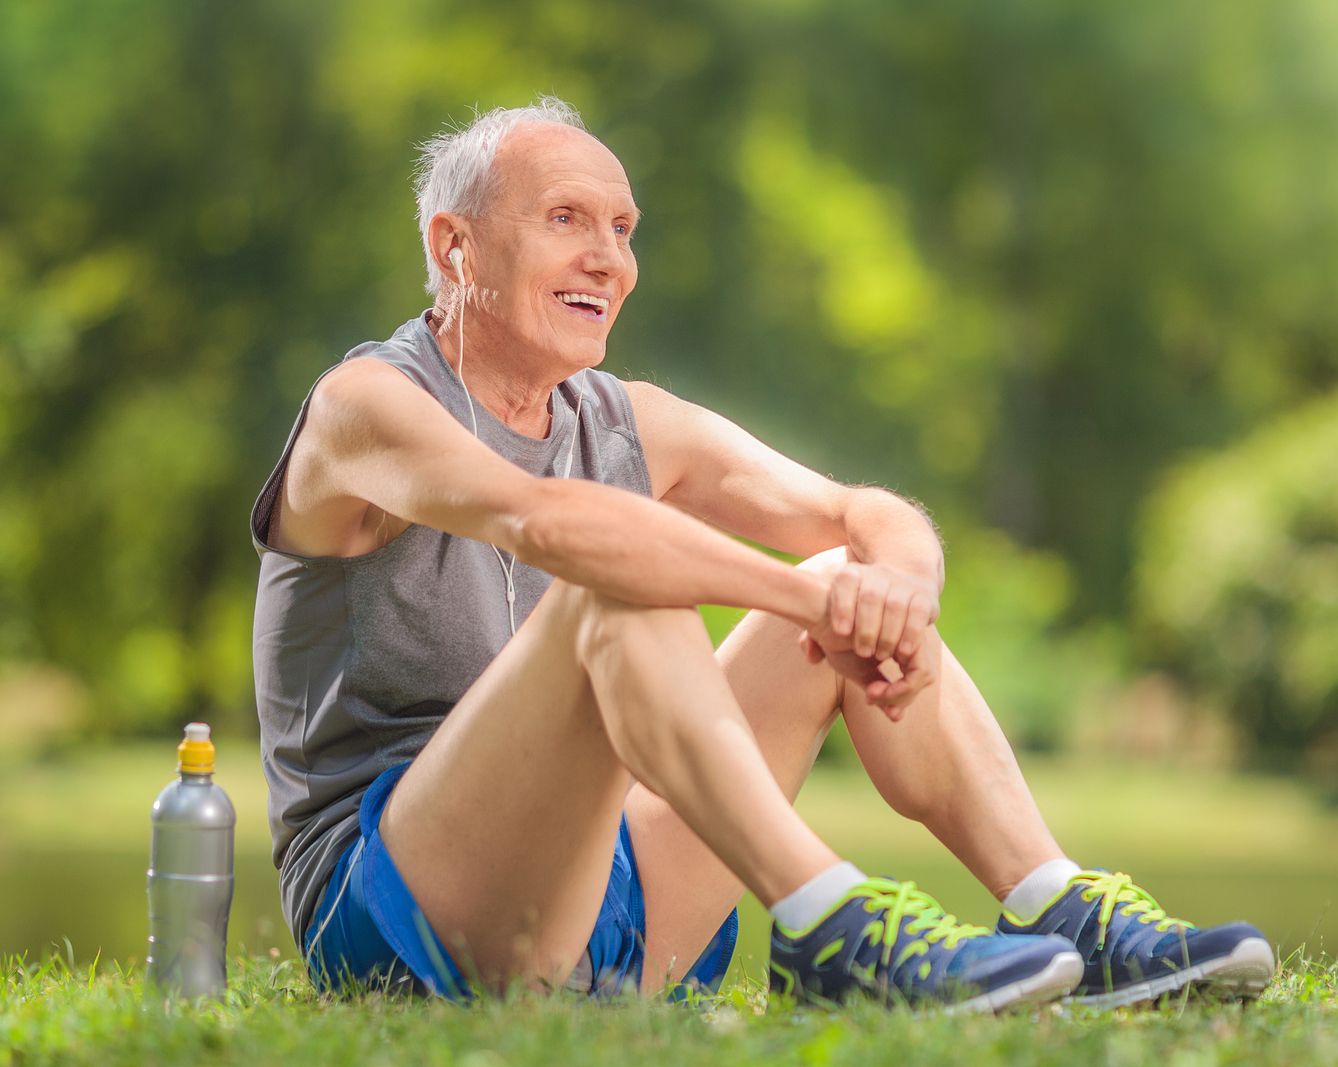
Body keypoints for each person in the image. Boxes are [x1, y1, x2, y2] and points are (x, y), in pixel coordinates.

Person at [250, 97, 1275, 1011]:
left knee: (837, 573)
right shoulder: (365, 408)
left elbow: (864, 512)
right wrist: (803, 599)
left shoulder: (625, 421)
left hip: (612, 905)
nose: (610, 257)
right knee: (630, 584)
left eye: (622, 228)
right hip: (393, 910)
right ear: (457, 245)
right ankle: (828, 918)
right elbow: (545, 522)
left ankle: (1058, 906)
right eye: (566, 218)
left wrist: (891, 595)